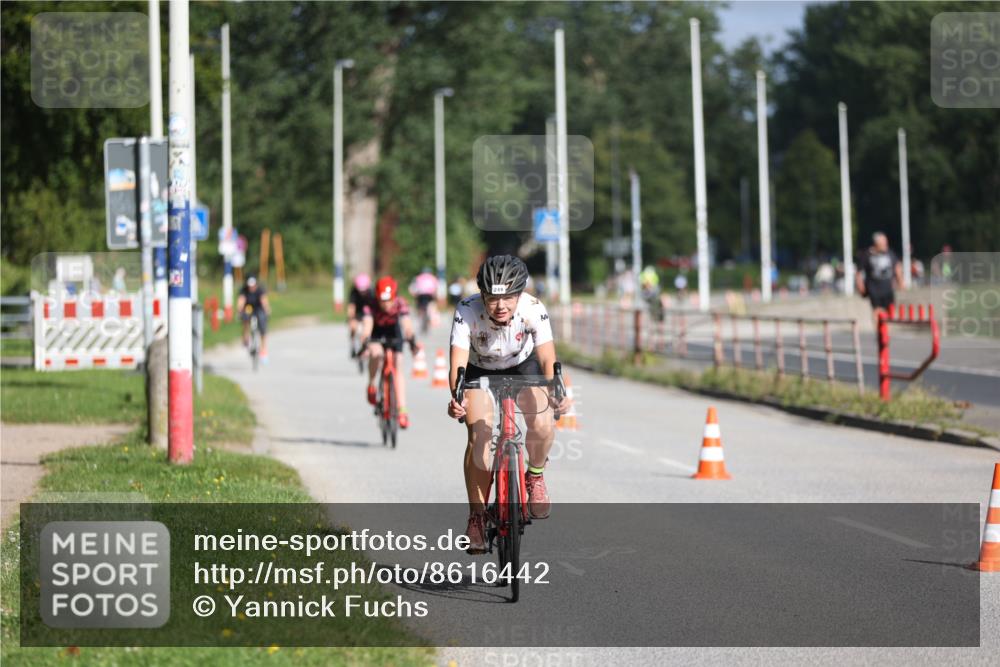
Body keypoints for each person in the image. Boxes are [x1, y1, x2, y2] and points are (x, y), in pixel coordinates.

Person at [446, 255, 572, 555]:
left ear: (519, 294)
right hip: (479, 369)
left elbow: (546, 358)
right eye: (492, 299)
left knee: (542, 422)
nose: (501, 306)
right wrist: (457, 396)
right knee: (480, 436)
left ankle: (535, 475)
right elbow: (458, 363)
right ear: (482, 295)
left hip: (521, 364)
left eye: (509, 298)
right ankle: (477, 517)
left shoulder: (533, 309)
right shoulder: (467, 310)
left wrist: (557, 389)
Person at [360, 276, 416, 429]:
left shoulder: (400, 303)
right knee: (376, 354)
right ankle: (371, 384)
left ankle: (402, 410)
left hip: (393, 332)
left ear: (394, 297)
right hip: (377, 332)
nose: (386, 304)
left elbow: (406, 324)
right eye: (382, 301)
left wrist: (411, 338)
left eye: (389, 300)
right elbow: (367, 325)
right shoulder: (371, 305)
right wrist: (365, 338)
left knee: (398, 362)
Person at [856, 232, 904, 327]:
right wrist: (860, 286)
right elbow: (858, 273)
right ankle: (880, 332)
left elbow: (897, 267)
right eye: (883, 243)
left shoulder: (890, 253)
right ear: (876, 244)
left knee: (890, 313)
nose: (886, 245)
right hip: (874, 289)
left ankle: (884, 330)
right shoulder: (867, 255)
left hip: (888, 289)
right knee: (877, 311)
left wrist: (900, 281)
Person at [237, 275, 271, 360]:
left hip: (258, 309)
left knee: (262, 323)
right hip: (248, 308)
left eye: (253, 286)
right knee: (245, 318)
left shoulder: (260, 290)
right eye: (250, 286)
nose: (251, 288)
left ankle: (263, 348)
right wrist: (239, 310)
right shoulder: (244, 290)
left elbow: (264, 301)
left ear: (256, 284)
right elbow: (241, 301)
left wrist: (267, 310)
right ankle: (246, 339)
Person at [347, 273, 373, 354]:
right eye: (360, 291)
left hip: (368, 313)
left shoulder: (372, 292)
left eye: (364, 290)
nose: (362, 293)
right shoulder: (353, 292)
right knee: (353, 326)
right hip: (357, 312)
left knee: (369, 326)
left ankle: (367, 345)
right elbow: (351, 306)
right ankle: (353, 344)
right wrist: (351, 318)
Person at [409, 267, 439, 333]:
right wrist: (435, 296)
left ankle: (421, 315)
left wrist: (415, 295)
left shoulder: (418, 277)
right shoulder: (433, 277)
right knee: (431, 305)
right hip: (429, 295)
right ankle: (429, 316)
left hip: (421, 294)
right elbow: (436, 288)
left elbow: (413, 288)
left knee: (420, 307)